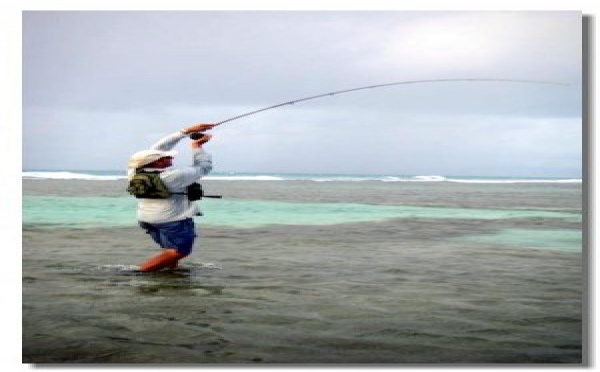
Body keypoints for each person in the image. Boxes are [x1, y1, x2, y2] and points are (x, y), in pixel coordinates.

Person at [127, 123, 215, 272]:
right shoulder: (173, 176)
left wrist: (185, 132)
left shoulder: (134, 171)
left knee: (170, 250)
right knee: (179, 251)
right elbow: (204, 167)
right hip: (172, 221)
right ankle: (139, 273)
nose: (169, 157)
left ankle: (170, 275)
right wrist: (197, 147)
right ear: (156, 162)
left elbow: (157, 149)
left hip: (147, 219)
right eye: (165, 158)